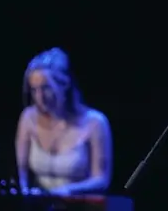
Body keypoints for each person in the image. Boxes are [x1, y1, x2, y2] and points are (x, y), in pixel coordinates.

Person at [15, 47, 113, 196]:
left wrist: (65, 191)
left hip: (79, 205)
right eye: (34, 90)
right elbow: (20, 172)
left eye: (46, 88)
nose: (39, 98)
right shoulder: (28, 118)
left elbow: (101, 179)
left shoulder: (95, 123)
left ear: (65, 84)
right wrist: (24, 193)